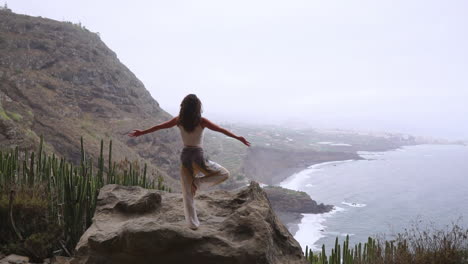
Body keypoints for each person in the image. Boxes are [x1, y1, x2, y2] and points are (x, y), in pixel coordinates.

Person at [128, 94, 250, 230]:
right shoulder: (202, 121)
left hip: (186, 157)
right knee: (223, 173)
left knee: (187, 193)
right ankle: (198, 183)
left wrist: (141, 132)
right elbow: (221, 130)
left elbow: (158, 127)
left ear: (183, 107)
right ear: (198, 107)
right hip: (199, 157)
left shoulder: (178, 120)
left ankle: (192, 224)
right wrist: (238, 137)